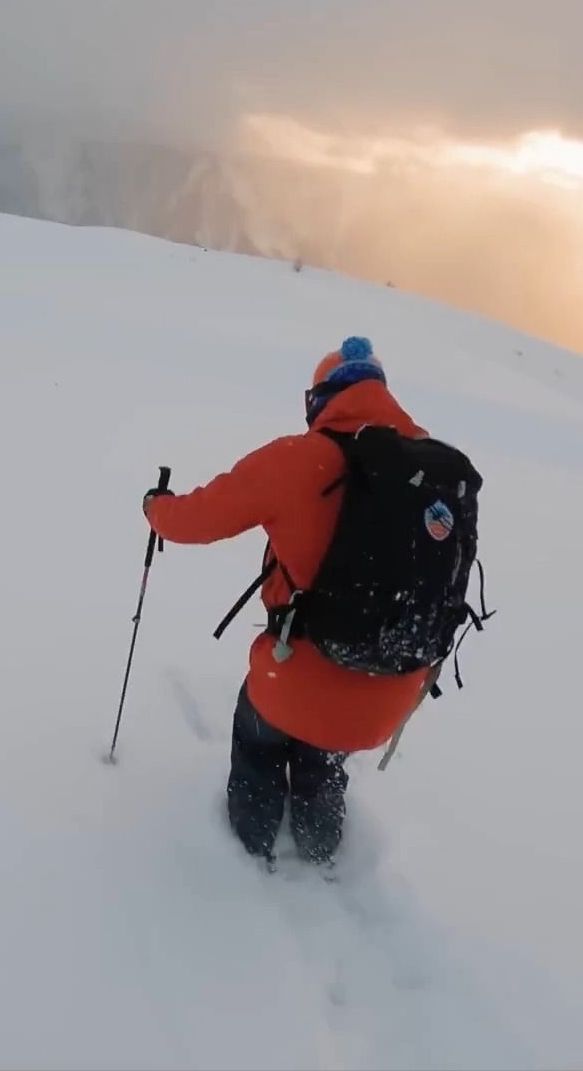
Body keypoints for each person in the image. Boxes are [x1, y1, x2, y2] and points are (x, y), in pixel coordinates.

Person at [142, 337, 436, 866]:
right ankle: (320, 850)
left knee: (261, 730)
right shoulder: (433, 472)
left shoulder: (299, 460)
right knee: (324, 753)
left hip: (294, 678)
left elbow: (195, 519)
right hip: (391, 688)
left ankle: (252, 852)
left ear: (322, 398)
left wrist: (155, 509)